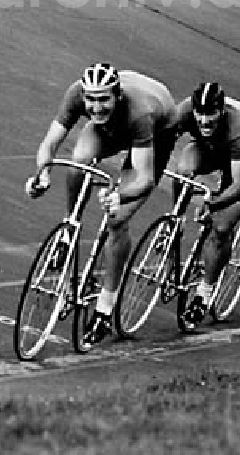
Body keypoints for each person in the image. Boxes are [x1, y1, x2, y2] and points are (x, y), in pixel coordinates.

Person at [25, 63, 178, 347]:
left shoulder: (140, 112)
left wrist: (120, 195)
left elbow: (144, 179)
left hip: (156, 130)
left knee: (117, 220)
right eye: (91, 100)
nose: (96, 107)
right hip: (119, 123)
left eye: (103, 99)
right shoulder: (75, 94)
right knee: (77, 165)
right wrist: (42, 174)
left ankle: (105, 309)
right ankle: (70, 228)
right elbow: (49, 144)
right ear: (83, 94)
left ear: (117, 95)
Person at [169, 82, 240, 326]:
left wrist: (211, 203)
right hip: (210, 147)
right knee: (182, 171)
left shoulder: (239, 128)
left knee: (221, 227)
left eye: (209, 115)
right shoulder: (185, 112)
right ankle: (175, 221)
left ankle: (204, 294)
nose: (203, 121)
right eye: (199, 115)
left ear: (221, 111)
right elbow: (162, 142)